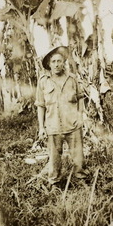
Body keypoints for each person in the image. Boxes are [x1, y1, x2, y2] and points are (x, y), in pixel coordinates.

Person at [35, 46, 87, 184]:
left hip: (73, 124)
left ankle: (80, 179)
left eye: (59, 61)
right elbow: (40, 105)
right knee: (54, 158)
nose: (57, 64)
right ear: (48, 64)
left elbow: (81, 97)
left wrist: (80, 117)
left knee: (78, 157)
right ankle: (55, 182)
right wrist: (41, 127)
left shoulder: (72, 79)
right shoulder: (43, 81)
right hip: (53, 126)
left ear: (64, 62)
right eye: (53, 62)